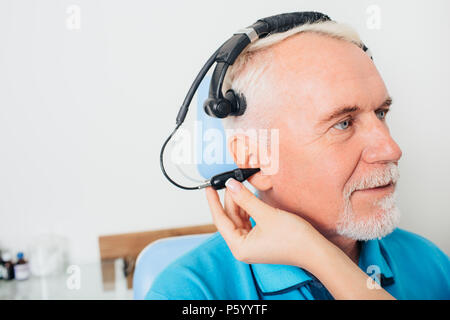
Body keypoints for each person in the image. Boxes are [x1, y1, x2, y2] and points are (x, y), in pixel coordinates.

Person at [146, 16, 450, 300]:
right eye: (343, 123)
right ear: (256, 158)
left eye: (381, 113)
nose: (391, 149)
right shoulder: (191, 292)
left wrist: (318, 255)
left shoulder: (431, 264)